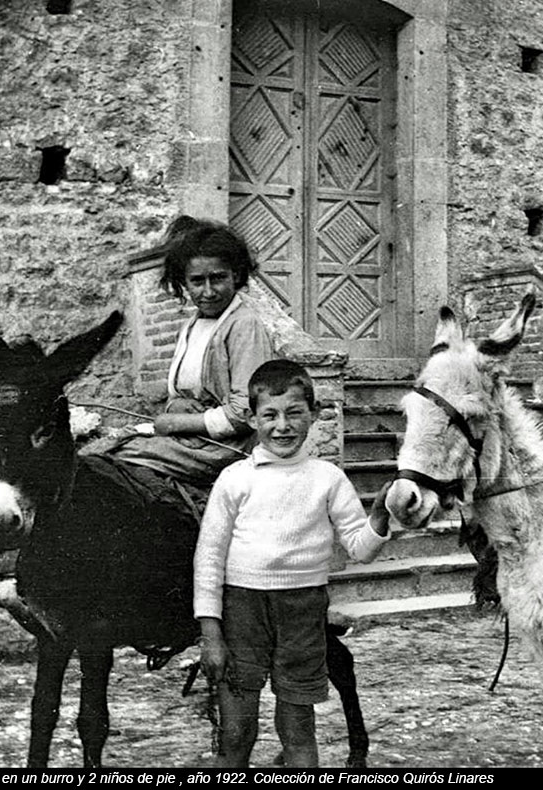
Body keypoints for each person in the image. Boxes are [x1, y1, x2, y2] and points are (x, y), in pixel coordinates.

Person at [194, 360, 391, 767]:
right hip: (243, 611)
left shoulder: (328, 478)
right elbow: (209, 558)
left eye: (295, 413)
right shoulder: (234, 479)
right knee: (236, 732)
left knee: (298, 728)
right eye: (270, 415)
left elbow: (360, 548)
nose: (282, 426)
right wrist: (210, 633)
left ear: (314, 415)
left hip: (303, 611)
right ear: (252, 419)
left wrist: (381, 518)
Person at [110, 216, 274, 488]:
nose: (208, 291)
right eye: (197, 281)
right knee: (104, 448)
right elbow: (178, 395)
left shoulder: (244, 325)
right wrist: (176, 407)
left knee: (122, 459)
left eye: (218, 278)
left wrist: (176, 422)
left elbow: (246, 412)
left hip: (224, 448)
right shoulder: (191, 325)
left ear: (235, 275)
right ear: (184, 283)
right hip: (193, 439)